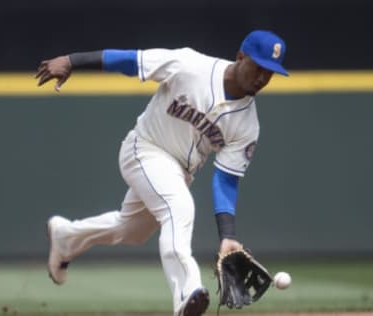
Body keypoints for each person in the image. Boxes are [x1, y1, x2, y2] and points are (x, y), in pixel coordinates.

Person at [35, 30, 288, 316]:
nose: (262, 78)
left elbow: (227, 178)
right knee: (178, 207)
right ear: (241, 56)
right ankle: (187, 293)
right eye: (259, 68)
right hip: (144, 149)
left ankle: (67, 236)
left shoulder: (248, 125)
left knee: (130, 230)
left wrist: (226, 235)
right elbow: (132, 61)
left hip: (178, 173)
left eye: (270, 73)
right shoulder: (190, 65)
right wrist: (72, 61)